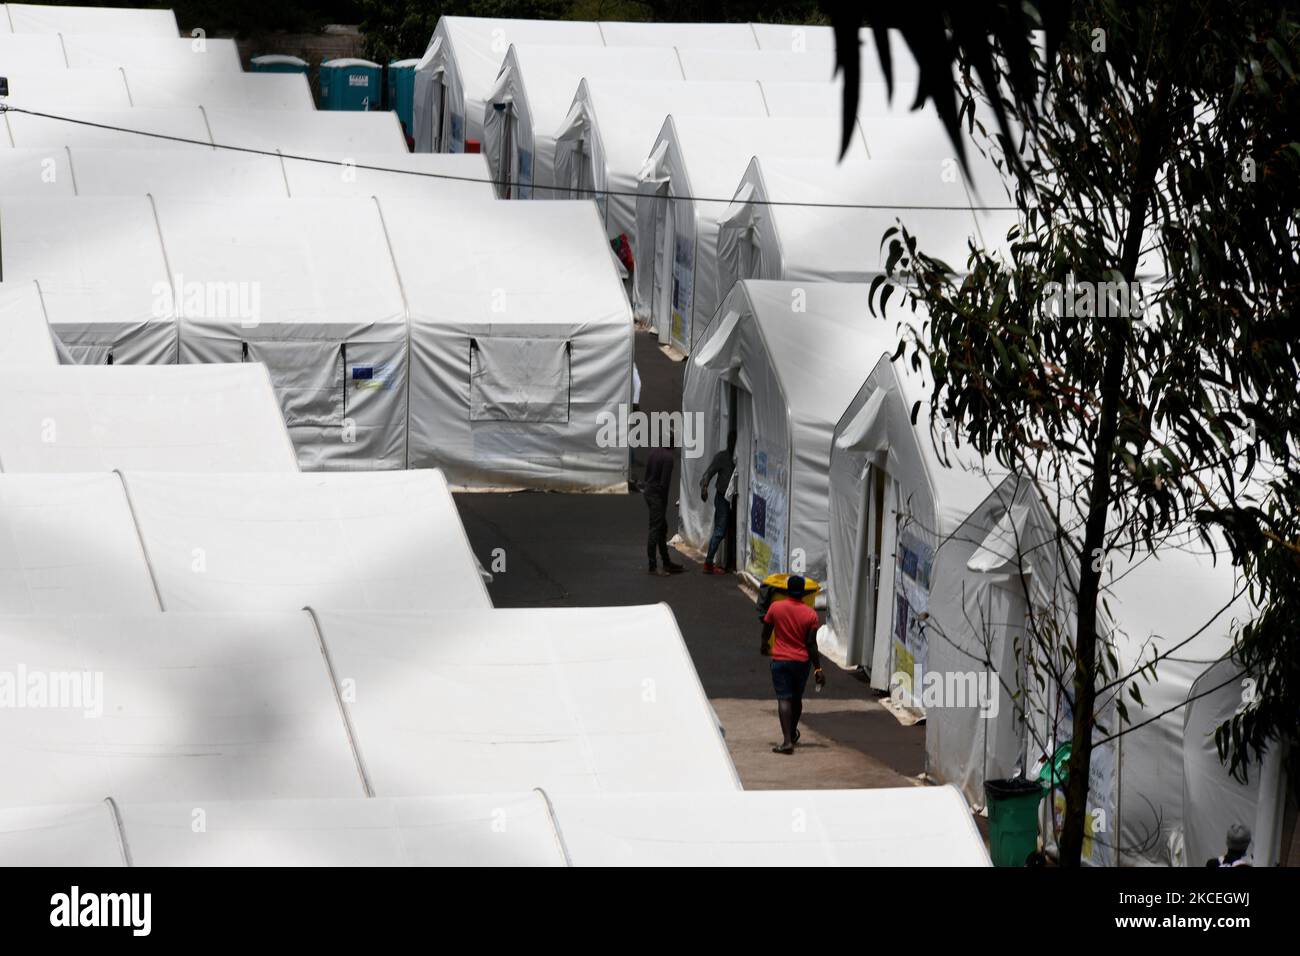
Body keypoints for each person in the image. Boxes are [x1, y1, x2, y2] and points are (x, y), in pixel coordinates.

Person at [760, 575, 824, 753]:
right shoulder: (811, 614)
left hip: (780, 660)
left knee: (784, 699)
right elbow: (811, 644)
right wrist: (818, 668)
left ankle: (787, 740)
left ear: (787, 590)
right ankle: (793, 732)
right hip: (801, 662)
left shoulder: (776, 607)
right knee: (796, 698)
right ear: (803, 592)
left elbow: (766, 630)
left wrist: (764, 646)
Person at [641, 423, 683, 576]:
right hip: (657, 496)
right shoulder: (668, 458)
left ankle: (666, 562)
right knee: (656, 528)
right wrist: (663, 504)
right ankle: (653, 566)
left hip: (649, 492)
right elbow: (664, 485)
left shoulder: (653, 453)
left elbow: (646, 477)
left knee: (661, 528)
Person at [699, 434, 736, 574]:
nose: (733, 444)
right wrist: (704, 487)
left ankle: (731, 562)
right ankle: (708, 563)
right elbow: (708, 473)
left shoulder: (740, 458)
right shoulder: (723, 457)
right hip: (723, 498)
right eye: (731, 441)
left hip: (735, 499)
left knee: (733, 530)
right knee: (720, 530)